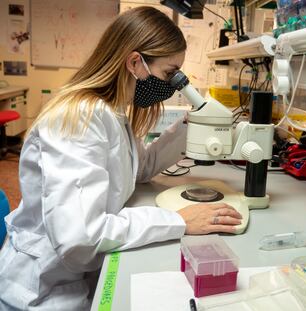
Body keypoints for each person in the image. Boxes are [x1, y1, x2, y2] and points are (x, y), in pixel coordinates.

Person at [0, 7, 242, 310]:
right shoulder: (79, 118)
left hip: (76, 275)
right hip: (43, 289)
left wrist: (194, 125)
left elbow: (140, 169)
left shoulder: (111, 110)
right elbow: (80, 237)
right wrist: (177, 221)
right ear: (134, 62)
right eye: (170, 73)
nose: (173, 84)